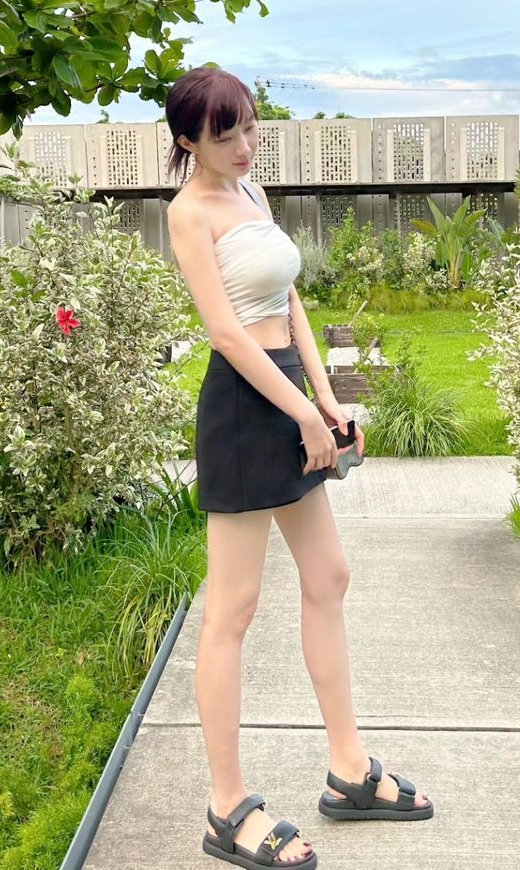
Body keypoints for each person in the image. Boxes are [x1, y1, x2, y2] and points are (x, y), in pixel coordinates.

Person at [165, 67, 434, 870]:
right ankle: (227, 806)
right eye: (226, 135)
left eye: (251, 128)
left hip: (288, 396)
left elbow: (290, 304)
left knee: (329, 576)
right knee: (233, 610)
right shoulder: (188, 212)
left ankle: (348, 768)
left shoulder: (251, 192)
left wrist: (326, 399)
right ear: (188, 142)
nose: (246, 146)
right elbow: (226, 332)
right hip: (244, 410)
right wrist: (301, 414)